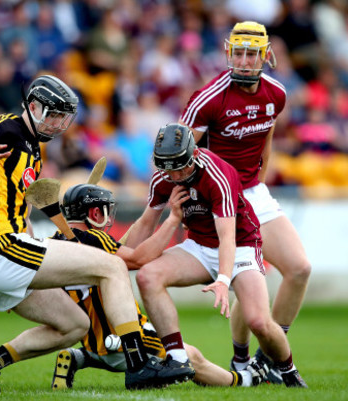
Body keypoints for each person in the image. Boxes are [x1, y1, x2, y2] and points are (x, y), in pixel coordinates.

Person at [0, 74, 194, 391]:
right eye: (55, 115)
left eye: (65, 117)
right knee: (113, 266)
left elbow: (24, 205)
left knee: (75, 325)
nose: (59, 124)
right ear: (33, 107)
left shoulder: (33, 148)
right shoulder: (10, 127)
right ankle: (138, 365)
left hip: (0, 255)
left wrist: (36, 234)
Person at [177, 21, 312, 374]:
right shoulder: (207, 99)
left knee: (299, 269)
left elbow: (266, 138)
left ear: (266, 56)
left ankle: (266, 357)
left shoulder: (276, 94)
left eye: (252, 53)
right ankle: (241, 358)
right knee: (249, 283)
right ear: (228, 52)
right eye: (238, 52)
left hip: (253, 192)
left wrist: (260, 183)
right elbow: (177, 154)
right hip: (217, 196)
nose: (245, 60)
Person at [130, 123, 307, 388]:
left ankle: (288, 370)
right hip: (200, 246)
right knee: (147, 277)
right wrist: (118, 257)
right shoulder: (164, 177)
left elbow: (228, 237)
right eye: (168, 167)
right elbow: (145, 223)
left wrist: (224, 279)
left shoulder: (217, 173)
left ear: (193, 155)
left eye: (180, 166)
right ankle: (177, 358)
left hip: (241, 244)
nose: (176, 175)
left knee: (259, 322)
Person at [49, 183, 270, 389]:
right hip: (123, 337)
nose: (108, 216)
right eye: (103, 210)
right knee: (189, 357)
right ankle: (243, 380)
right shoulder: (93, 239)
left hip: (92, 339)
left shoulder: (56, 242)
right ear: (94, 213)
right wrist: (173, 218)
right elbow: (138, 258)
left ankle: (78, 357)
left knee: (115, 351)